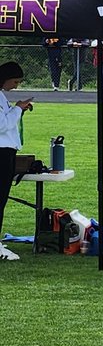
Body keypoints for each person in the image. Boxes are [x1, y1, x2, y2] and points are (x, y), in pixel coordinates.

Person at [0, 62, 34, 261]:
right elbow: (2, 125)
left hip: (7, 152)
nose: (16, 86)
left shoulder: (2, 96)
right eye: (15, 81)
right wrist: (18, 109)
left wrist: (16, 109)